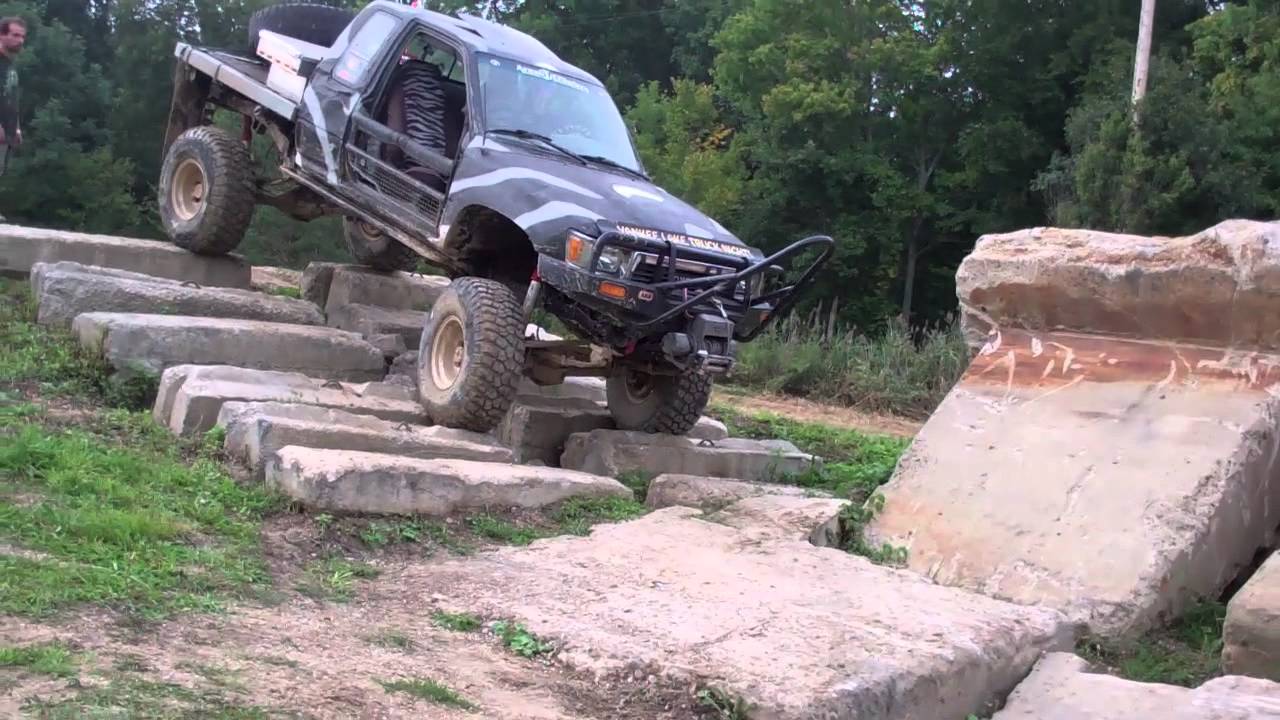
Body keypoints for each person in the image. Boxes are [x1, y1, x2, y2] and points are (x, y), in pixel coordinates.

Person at [0, 16, 26, 177]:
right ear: (1, 35)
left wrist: (16, 128)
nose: (20, 40)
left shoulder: (10, 64)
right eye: (15, 35)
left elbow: (10, 98)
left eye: (22, 36)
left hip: (6, 137)